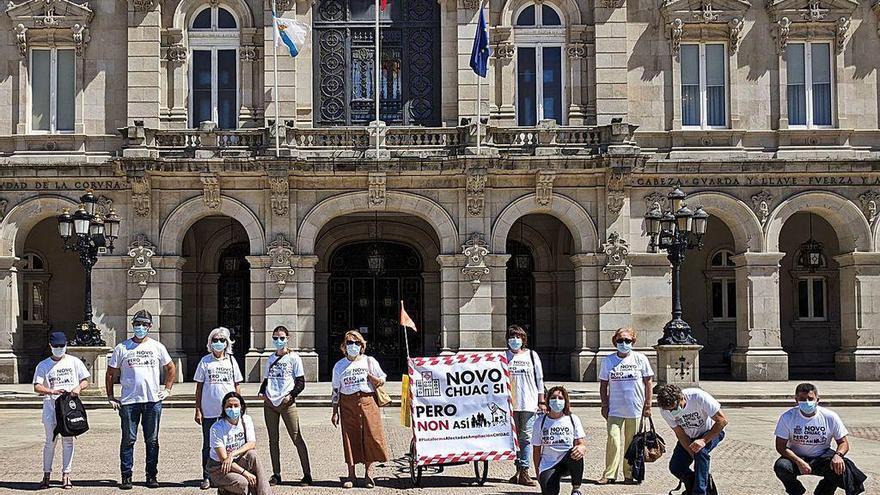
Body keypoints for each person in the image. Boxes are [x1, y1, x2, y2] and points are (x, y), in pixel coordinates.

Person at [106, 310, 176, 490]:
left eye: (144, 325)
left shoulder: (157, 347)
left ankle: (151, 475)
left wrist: (167, 389)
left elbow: (170, 368)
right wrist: (111, 396)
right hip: (129, 401)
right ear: (132, 325)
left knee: (152, 440)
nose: (140, 328)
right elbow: (110, 372)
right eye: (137, 324)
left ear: (149, 327)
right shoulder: (122, 347)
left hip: (152, 400)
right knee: (128, 439)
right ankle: (126, 475)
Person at [774, 383, 866, 495]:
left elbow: (843, 442)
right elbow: (780, 446)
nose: (807, 402)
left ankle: (824, 491)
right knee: (781, 467)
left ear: (817, 400)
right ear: (796, 400)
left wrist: (838, 456)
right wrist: (799, 461)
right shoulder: (787, 417)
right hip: (796, 457)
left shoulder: (830, 416)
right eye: (802, 399)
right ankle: (796, 491)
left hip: (822, 457)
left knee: (844, 469)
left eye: (810, 399)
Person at [330, 330, 389, 489]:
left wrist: (377, 380)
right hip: (347, 403)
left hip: (368, 401)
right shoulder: (339, 365)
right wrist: (335, 411)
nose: (353, 346)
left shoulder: (369, 361)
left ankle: (368, 474)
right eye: (350, 343)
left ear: (362, 345)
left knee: (370, 436)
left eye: (357, 343)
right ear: (344, 346)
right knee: (350, 437)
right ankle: (351, 475)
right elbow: (335, 389)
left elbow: (382, 378)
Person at [32, 331, 90, 490]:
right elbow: (37, 385)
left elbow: (85, 380)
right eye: (56, 346)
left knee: (68, 441)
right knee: (50, 442)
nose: (59, 348)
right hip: (51, 407)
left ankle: (66, 474)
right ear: (50, 346)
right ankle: (46, 474)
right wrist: (50, 391)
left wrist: (78, 388)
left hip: (68, 407)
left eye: (62, 346)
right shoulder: (43, 365)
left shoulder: (74, 362)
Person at [598, 327, 654, 485]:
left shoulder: (640, 358)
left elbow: (648, 382)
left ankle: (629, 474)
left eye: (627, 340)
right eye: (620, 340)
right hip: (615, 408)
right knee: (613, 439)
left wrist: (648, 405)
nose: (624, 343)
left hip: (635, 408)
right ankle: (609, 474)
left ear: (633, 342)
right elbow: (603, 385)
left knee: (632, 443)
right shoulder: (608, 360)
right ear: (615, 341)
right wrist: (604, 404)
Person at [259, 325, 312, 486]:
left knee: (297, 438)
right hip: (270, 403)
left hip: (287, 403)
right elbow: (267, 379)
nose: (278, 341)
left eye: (281, 338)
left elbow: (300, 382)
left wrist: (290, 396)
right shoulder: (270, 358)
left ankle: (307, 474)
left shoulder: (294, 357)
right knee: (273, 440)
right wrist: (262, 393)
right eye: (275, 338)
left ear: (287, 338)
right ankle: (276, 474)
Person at [194, 327, 243, 490]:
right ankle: (207, 476)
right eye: (215, 340)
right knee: (208, 445)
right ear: (210, 342)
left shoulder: (231, 361)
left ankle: (228, 474)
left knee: (230, 445)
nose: (218, 343)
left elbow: (237, 385)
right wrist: (198, 409)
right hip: (209, 410)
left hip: (228, 412)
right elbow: (199, 387)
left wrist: (239, 408)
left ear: (227, 343)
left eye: (222, 340)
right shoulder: (205, 361)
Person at [657, 384, 728, 495]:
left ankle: (700, 492)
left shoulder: (698, 396)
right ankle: (698, 481)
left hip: (712, 431)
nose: (673, 412)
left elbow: (722, 421)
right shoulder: (665, 410)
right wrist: (690, 452)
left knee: (701, 452)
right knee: (676, 467)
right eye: (669, 410)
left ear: (681, 398)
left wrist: (704, 440)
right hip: (689, 436)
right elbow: (680, 434)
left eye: (675, 408)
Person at [208, 392, 273, 495]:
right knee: (243, 483)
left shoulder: (246, 420)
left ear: (241, 407)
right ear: (224, 408)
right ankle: (224, 489)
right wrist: (246, 473)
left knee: (253, 454)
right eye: (229, 406)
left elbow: (252, 444)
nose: (232, 409)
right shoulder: (217, 428)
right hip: (220, 468)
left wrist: (232, 454)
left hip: (237, 459)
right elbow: (224, 460)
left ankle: (265, 493)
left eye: (236, 405)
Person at [506, 324, 545, 487]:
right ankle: (518, 470)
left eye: (518, 337)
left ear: (523, 340)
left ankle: (524, 470)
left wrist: (541, 400)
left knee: (526, 437)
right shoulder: (504, 356)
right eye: (512, 337)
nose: (515, 340)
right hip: (509, 404)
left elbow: (539, 379)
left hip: (528, 402)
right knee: (514, 439)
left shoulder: (531, 355)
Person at [532, 386, 586, 495]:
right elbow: (536, 450)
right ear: (548, 400)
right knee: (549, 491)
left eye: (560, 398)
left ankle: (576, 488)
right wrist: (538, 472)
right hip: (549, 463)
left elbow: (581, 443)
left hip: (567, 461)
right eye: (553, 397)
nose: (557, 400)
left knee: (576, 452)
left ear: (565, 401)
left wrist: (582, 447)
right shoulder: (540, 422)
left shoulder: (573, 419)